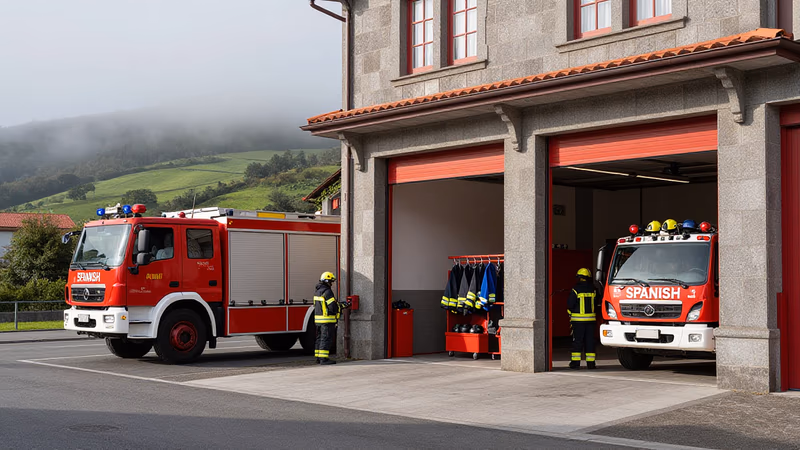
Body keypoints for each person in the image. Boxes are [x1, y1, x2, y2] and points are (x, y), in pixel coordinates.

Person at [567, 268, 599, 370]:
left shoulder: (575, 289)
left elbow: (570, 304)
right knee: (590, 342)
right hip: (591, 321)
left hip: (578, 321)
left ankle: (575, 364)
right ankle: (591, 364)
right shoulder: (594, 289)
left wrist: (570, 314)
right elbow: (598, 304)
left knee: (577, 342)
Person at [314, 271, 341, 365]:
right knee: (326, 339)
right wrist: (340, 307)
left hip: (318, 320)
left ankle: (318, 357)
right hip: (327, 320)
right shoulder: (327, 291)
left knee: (319, 338)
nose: (331, 284)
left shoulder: (317, 291)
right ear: (327, 281)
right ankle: (323, 359)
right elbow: (332, 307)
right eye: (331, 282)